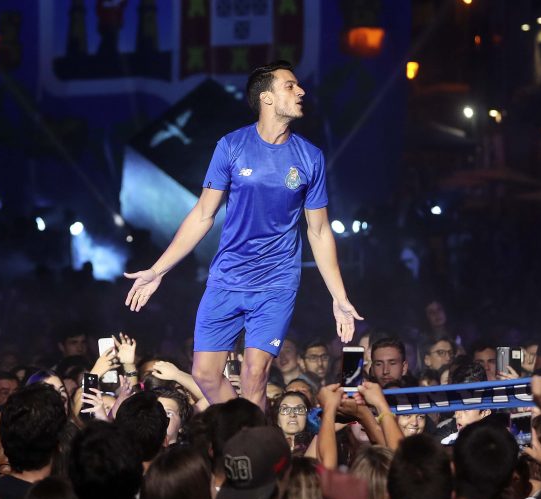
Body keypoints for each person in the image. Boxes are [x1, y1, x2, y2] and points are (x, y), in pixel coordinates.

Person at [124, 60, 362, 409]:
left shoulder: (310, 157)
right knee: (205, 374)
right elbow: (203, 214)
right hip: (227, 278)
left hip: (276, 283)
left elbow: (320, 230)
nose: (301, 91)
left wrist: (339, 297)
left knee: (254, 374)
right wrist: (158, 270)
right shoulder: (231, 146)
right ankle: (241, 429)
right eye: (290, 86)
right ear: (267, 97)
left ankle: (252, 441)